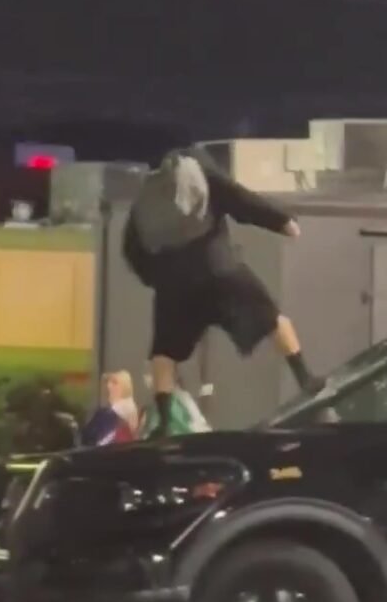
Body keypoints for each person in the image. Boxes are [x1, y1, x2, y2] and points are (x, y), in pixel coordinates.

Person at [122, 148, 320, 438]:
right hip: (219, 269)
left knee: (163, 353)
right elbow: (237, 198)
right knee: (273, 318)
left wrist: (156, 277)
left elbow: (131, 247)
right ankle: (305, 379)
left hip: (173, 285)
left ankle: (164, 420)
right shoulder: (198, 162)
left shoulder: (149, 185)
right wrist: (282, 221)